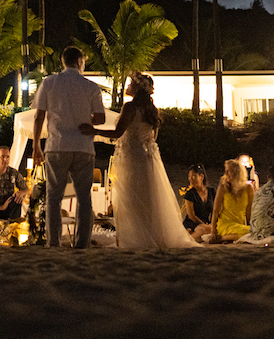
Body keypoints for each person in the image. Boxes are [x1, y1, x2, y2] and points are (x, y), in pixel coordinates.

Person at [81, 73, 198, 249]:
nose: (127, 86)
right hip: (149, 160)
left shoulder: (130, 108)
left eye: (130, 84)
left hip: (132, 159)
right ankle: (153, 236)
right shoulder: (152, 111)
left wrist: (94, 131)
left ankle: (134, 238)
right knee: (149, 199)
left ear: (137, 88)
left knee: (130, 199)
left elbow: (117, 133)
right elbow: (153, 138)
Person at [32, 46, 106, 248]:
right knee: (84, 198)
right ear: (80, 61)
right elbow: (100, 118)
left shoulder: (49, 83)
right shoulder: (90, 87)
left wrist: (36, 145)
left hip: (56, 145)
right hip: (83, 146)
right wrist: (85, 120)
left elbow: (39, 117)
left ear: (63, 62)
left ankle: (54, 243)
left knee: (54, 197)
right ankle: (81, 244)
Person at [207, 159, 253, 243]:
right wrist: (213, 231)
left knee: (254, 231)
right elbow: (215, 210)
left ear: (237, 173)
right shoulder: (223, 188)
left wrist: (251, 225)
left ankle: (225, 238)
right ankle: (222, 238)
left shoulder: (248, 189)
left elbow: (249, 210)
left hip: (239, 224)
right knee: (250, 232)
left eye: (229, 171)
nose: (226, 174)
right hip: (225, 224)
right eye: (226, 171)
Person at [180, 164, 215, 240]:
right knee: (204, 229)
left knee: (215, 229)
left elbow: (215, 211)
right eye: (189, 176)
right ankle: (188, 239)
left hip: (206, 222)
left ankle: (195, 235)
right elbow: (191, 216)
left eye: (193, 176)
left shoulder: (211, 192)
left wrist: (212, 223)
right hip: (193, 223)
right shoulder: (190, 194)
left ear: (201, 177)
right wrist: (204, 224)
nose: (190, 179)